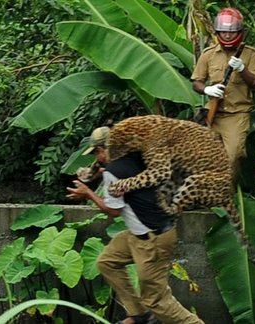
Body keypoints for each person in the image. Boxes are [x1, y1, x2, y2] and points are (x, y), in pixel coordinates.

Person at [67, 127, 204, 324]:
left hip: (151, 240)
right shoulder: (139, 156)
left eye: (98, 151)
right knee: (107, 262)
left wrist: (87, 193)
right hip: (143, 233)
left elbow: (113, 210)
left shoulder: (114, 172)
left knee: (157, 301)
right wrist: (99, 173)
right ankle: (141, 316)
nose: (98, 156)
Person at [191, 7, 255, 179]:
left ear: (239, 32)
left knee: (233, 155)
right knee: (204, 157)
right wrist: (207, 89)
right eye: (223, 32)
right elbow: (196, 82)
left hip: (237, 114)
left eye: (231, 32)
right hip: (212, 112)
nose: (227, 36)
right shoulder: (208, 54)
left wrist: (242, 69)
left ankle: (228, 194)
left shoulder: (250, 54)